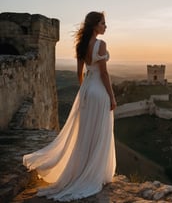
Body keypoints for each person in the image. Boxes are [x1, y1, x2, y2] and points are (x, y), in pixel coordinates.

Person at [23, 11, 117, 201]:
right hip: (99, 92)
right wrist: (112, 97)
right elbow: (105, 74)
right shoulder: (101, 44)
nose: (105, 26)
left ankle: (81, 171)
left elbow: (79, 73)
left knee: (85, 132)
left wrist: (85, 90)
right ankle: (94, 173)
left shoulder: (81, 45)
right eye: (103, 23)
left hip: (87, 91)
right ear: (94, 26)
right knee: (98, 132)